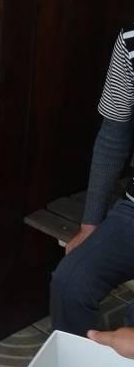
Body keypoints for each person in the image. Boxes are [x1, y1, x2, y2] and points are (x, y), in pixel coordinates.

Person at [50, 26, 134, 335]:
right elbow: (113, 139)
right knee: (69, 283)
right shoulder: (129, 41)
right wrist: (90, 225)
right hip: (132, 212)